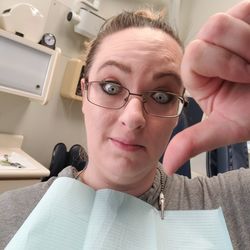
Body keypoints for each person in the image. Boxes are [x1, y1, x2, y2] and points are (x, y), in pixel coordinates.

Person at [0, 1, 249, 249]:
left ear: (177, 112)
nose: (133, 118)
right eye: (111, 87)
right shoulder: (10, 215)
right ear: (85, 93)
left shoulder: (230, 204)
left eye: (161, 96)